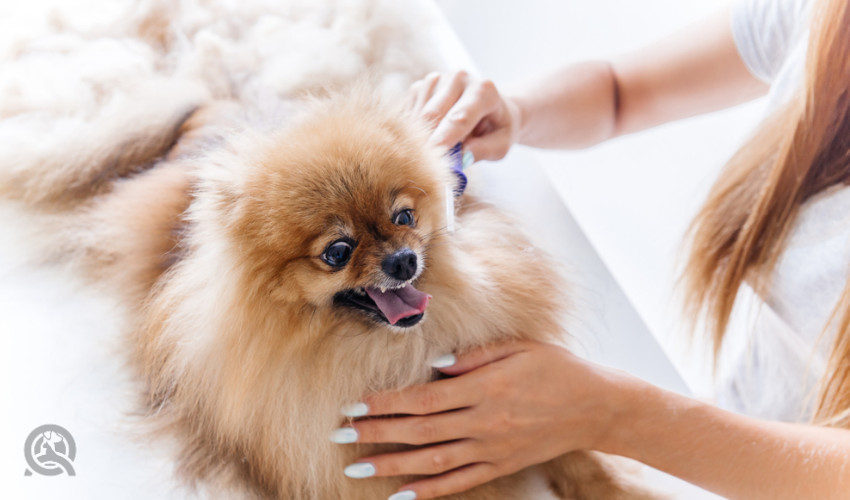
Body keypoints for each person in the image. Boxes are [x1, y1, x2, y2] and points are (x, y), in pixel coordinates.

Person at [332, 0, 850, 498]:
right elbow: (620, 91)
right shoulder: (824, 16)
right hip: (731, 442)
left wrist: (610, 413)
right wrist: (513, 111)